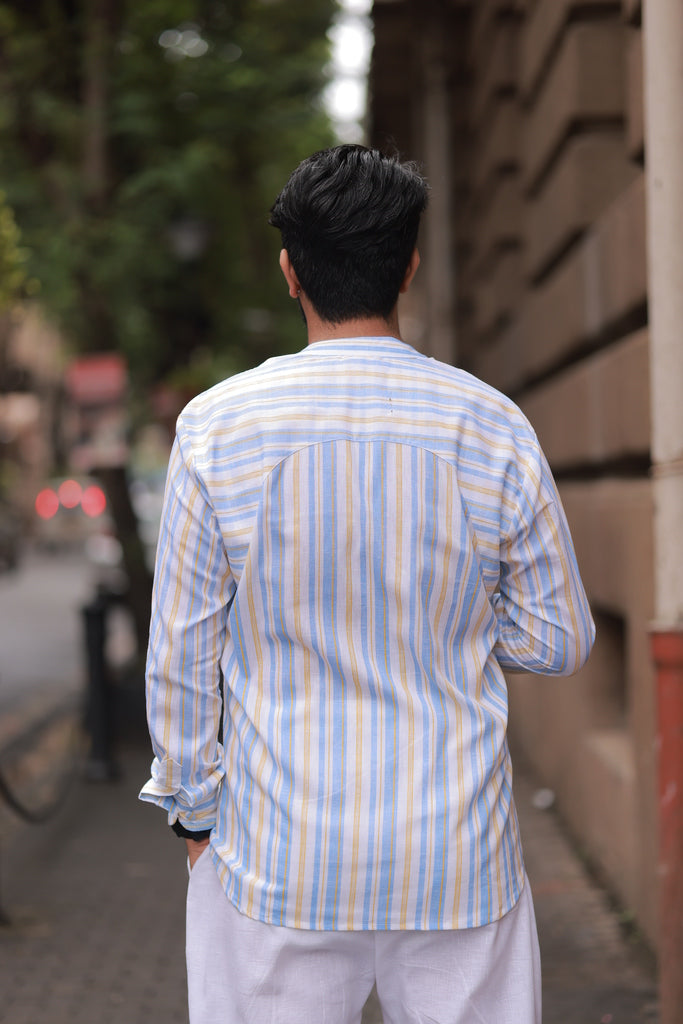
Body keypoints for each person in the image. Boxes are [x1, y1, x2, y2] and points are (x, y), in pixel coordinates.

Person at [140, 144, 595, 1024]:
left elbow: (182, 653)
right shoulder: (489, 424)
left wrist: (195, 814)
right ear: (408, 265)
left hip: (277, 851)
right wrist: (454, 622)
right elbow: (557, 637)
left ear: (289, 272)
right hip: (456, 851)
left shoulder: (218, 428)